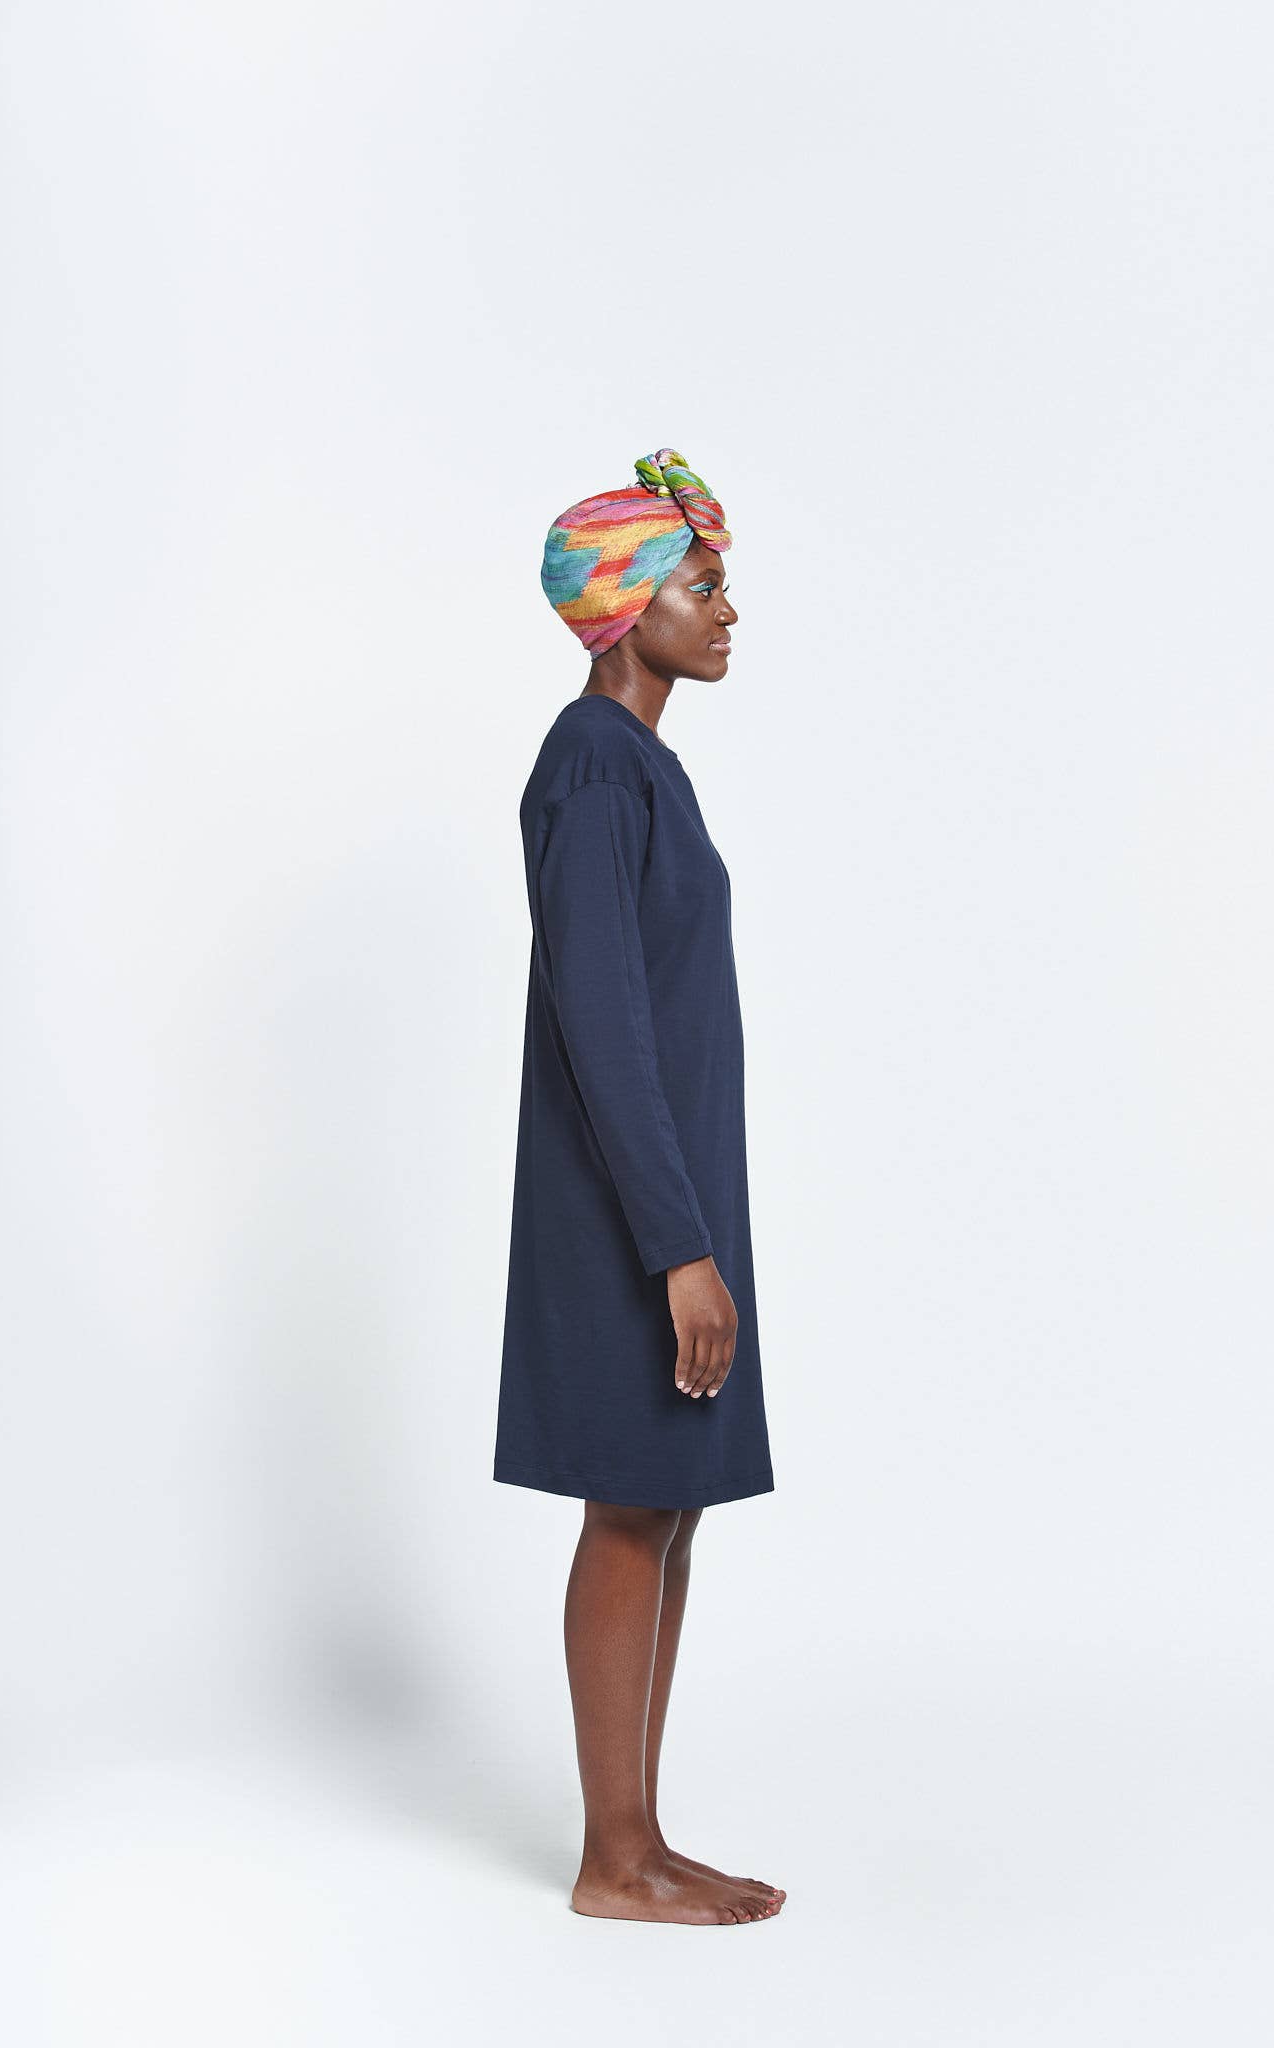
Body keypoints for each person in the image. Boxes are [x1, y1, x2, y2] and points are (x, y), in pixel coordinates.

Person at [494, 448, 782, 1926]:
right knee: (630, 1505)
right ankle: (614, 1861)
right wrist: (677, 1247)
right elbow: (602, 1026)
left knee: (667, 1503)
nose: (727, 609)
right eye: (702, 585)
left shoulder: (637, 765)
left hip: (670, 1202)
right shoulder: (596, 764)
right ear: (625, 607)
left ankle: (641, 1837)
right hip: (631, 1218)